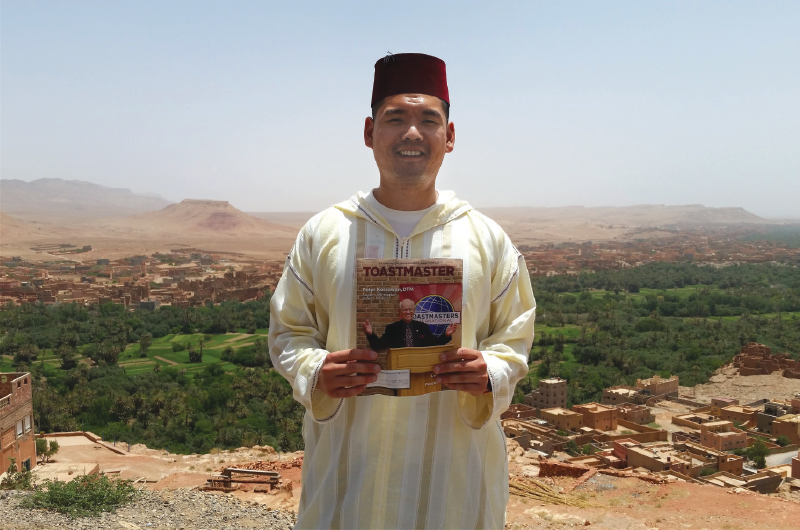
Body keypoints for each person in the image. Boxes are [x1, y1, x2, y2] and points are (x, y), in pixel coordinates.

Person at [269, 52, 536, 529]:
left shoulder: (487, 239)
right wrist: (317, 372)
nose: (412, 133)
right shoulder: (324, 233)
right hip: (347, 487)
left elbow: (514, 338)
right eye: (396, 119)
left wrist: (489, 370)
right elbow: (289, 332)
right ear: (370, 132)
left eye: (428, 120)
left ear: (449, 137)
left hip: (454, 490)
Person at [362, 298, 457, 349]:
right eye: (405, 310)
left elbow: (435, 344)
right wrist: (370, 333)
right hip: (400, 368)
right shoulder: (392, 328)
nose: (408, 312)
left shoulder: (423, 327)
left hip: (419, 366)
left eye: (410, 309)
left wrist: (446, 334)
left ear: (414, 310)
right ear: (400, 312)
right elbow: (378, 346)